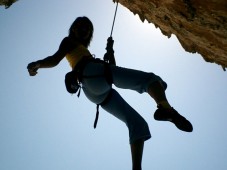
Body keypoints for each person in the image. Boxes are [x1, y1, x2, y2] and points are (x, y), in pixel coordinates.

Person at [27, 16, 193, 170]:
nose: (83, 29)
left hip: (93, 91)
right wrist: (38, 64)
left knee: (138, 123)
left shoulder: (81, 51)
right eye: (80, 26)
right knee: (151, 80)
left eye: (87, 27)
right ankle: (165, 108)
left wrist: (110, 50)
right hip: (93, 75)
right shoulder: (69, 41)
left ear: (89, 34)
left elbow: (111, 68)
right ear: (73, 29)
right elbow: (55, 59)